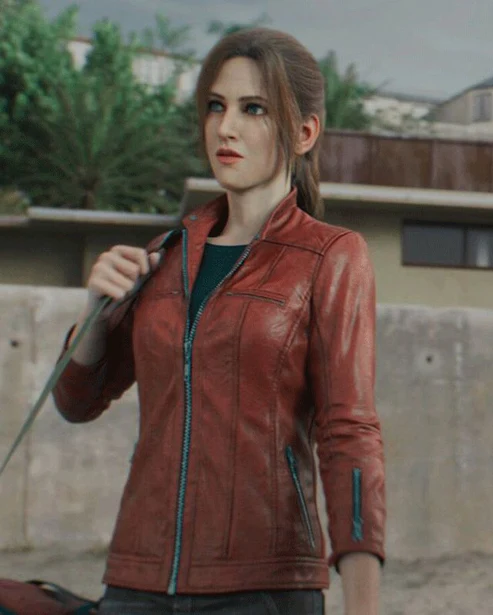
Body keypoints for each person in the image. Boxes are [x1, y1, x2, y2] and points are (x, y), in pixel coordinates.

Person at [53, 27, 386, 615]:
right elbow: (76, 403)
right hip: (136, 581)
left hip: (263, 587)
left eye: (253, 108)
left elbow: (348, 434)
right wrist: (94, 316)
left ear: (305, 132)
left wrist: (363, 605)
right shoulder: (164, 257)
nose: (225, 127)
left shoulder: (331, 256)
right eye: (216, 105)